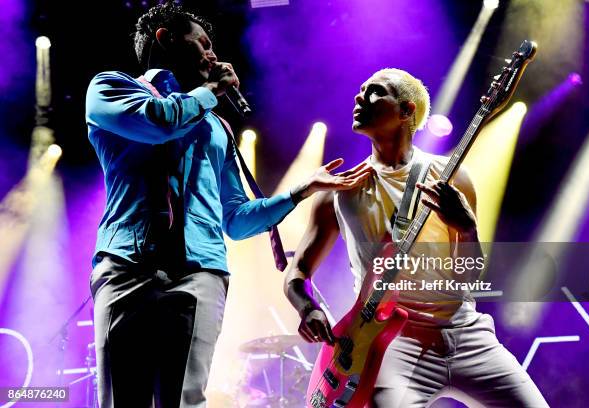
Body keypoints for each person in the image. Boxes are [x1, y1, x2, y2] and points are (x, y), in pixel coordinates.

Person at [85, 3, 371, 407]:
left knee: (185, 398)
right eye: (201, 43)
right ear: (165, 38)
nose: (211, 54)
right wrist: (209, 94)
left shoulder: (215, 126)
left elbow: (235, 221)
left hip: (199, 273)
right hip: (128, 266)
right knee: (124, 399)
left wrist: (299, 192)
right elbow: (161, 121)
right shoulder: (112, 89)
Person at [284, 68, 549, 407]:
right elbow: (297, 272)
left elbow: (469, 274)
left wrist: (466, 228)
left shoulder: (451, 176)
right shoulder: (339, 191)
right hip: (393, 346)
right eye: (360, 89)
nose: (359, 97)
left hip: (466, 333)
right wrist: (307, 308)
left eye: (375, 91)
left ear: (407, 111)